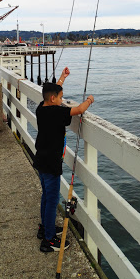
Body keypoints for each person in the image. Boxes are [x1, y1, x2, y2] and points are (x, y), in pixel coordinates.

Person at [33, 66, 94, 253]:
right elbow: (79, 110)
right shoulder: (58, 112)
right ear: (53, 99)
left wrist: (62, 78)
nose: (62, 100)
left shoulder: (41, 108)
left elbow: (54, 92)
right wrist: (90, 100)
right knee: (52, 200)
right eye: (60, 98)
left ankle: (45, 229)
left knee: (46, 196)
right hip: (51, 163)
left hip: (40, 161)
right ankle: (49, 240)